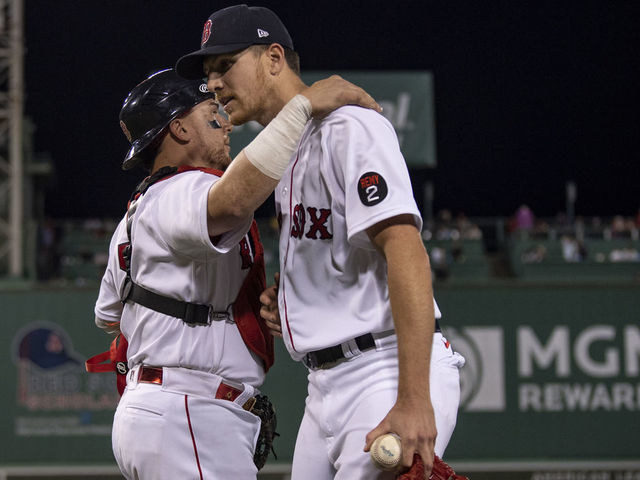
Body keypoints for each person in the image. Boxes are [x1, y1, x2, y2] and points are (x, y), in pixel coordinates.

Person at [175, 5, 465, 479]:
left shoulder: (348, 127)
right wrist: (290, 300)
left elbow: (405, 249)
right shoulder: (285, 147)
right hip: (323, 386)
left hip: (383, 370)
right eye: (209, 74)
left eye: (225, 65)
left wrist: (415, 400)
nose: (214, 84)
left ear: (274, 58)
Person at [93, 67, 380, 480]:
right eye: (211, 111)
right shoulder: (181, 190)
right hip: (188, 411)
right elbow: (231, 202)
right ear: (180, 129)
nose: (225, 121)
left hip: (166, 411)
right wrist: (299, 108)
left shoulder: (136, 214)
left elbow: (107, 317)